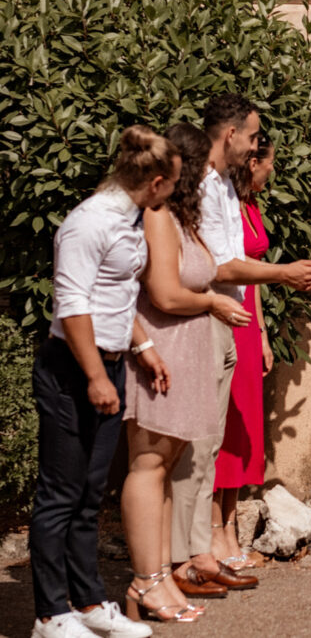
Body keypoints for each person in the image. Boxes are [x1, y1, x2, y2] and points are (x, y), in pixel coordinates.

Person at [170, 94, 311, 597]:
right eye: (254, 136)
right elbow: (219, 265)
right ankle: (188, 559)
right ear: (231, 134)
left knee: (211, 444)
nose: (257, 147)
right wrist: (284, 273)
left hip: (231, 316)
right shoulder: (202, 185)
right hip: (208, 315)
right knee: (198, 447)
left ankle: (201, 554)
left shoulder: (222, 186)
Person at [29, 125, 175, 638]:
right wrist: (94, 376)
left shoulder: (129, 219)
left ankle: (89, 604)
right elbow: (72, 305)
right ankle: (50, 614)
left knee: (89, 494)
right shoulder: (87, 223)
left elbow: (115, 296)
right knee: (59, 496)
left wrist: (141, 347)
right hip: (71, 370)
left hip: (110, 365)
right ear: (155, 182)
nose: (174, 193)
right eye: (172, 184)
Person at [119, 122, 253, 624]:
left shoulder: (184, 218)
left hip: (188, 350)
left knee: (168, 469)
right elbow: (164, 294)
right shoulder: (159, 217)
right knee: (150, 465)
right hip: (166, 350)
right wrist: (213, 302)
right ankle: (146, 581)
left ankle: (159, 579)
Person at [213, 131, 276, 567]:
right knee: (224, 429)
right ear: (253, 163)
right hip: (225, 320)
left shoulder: (251, 205)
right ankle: (214, 535)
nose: (272, 171)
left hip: (249, 325)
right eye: (270, 163)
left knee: (243, 429)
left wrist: (263, 333)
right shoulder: (225, 208)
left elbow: (252, 280)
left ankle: (231, 530)